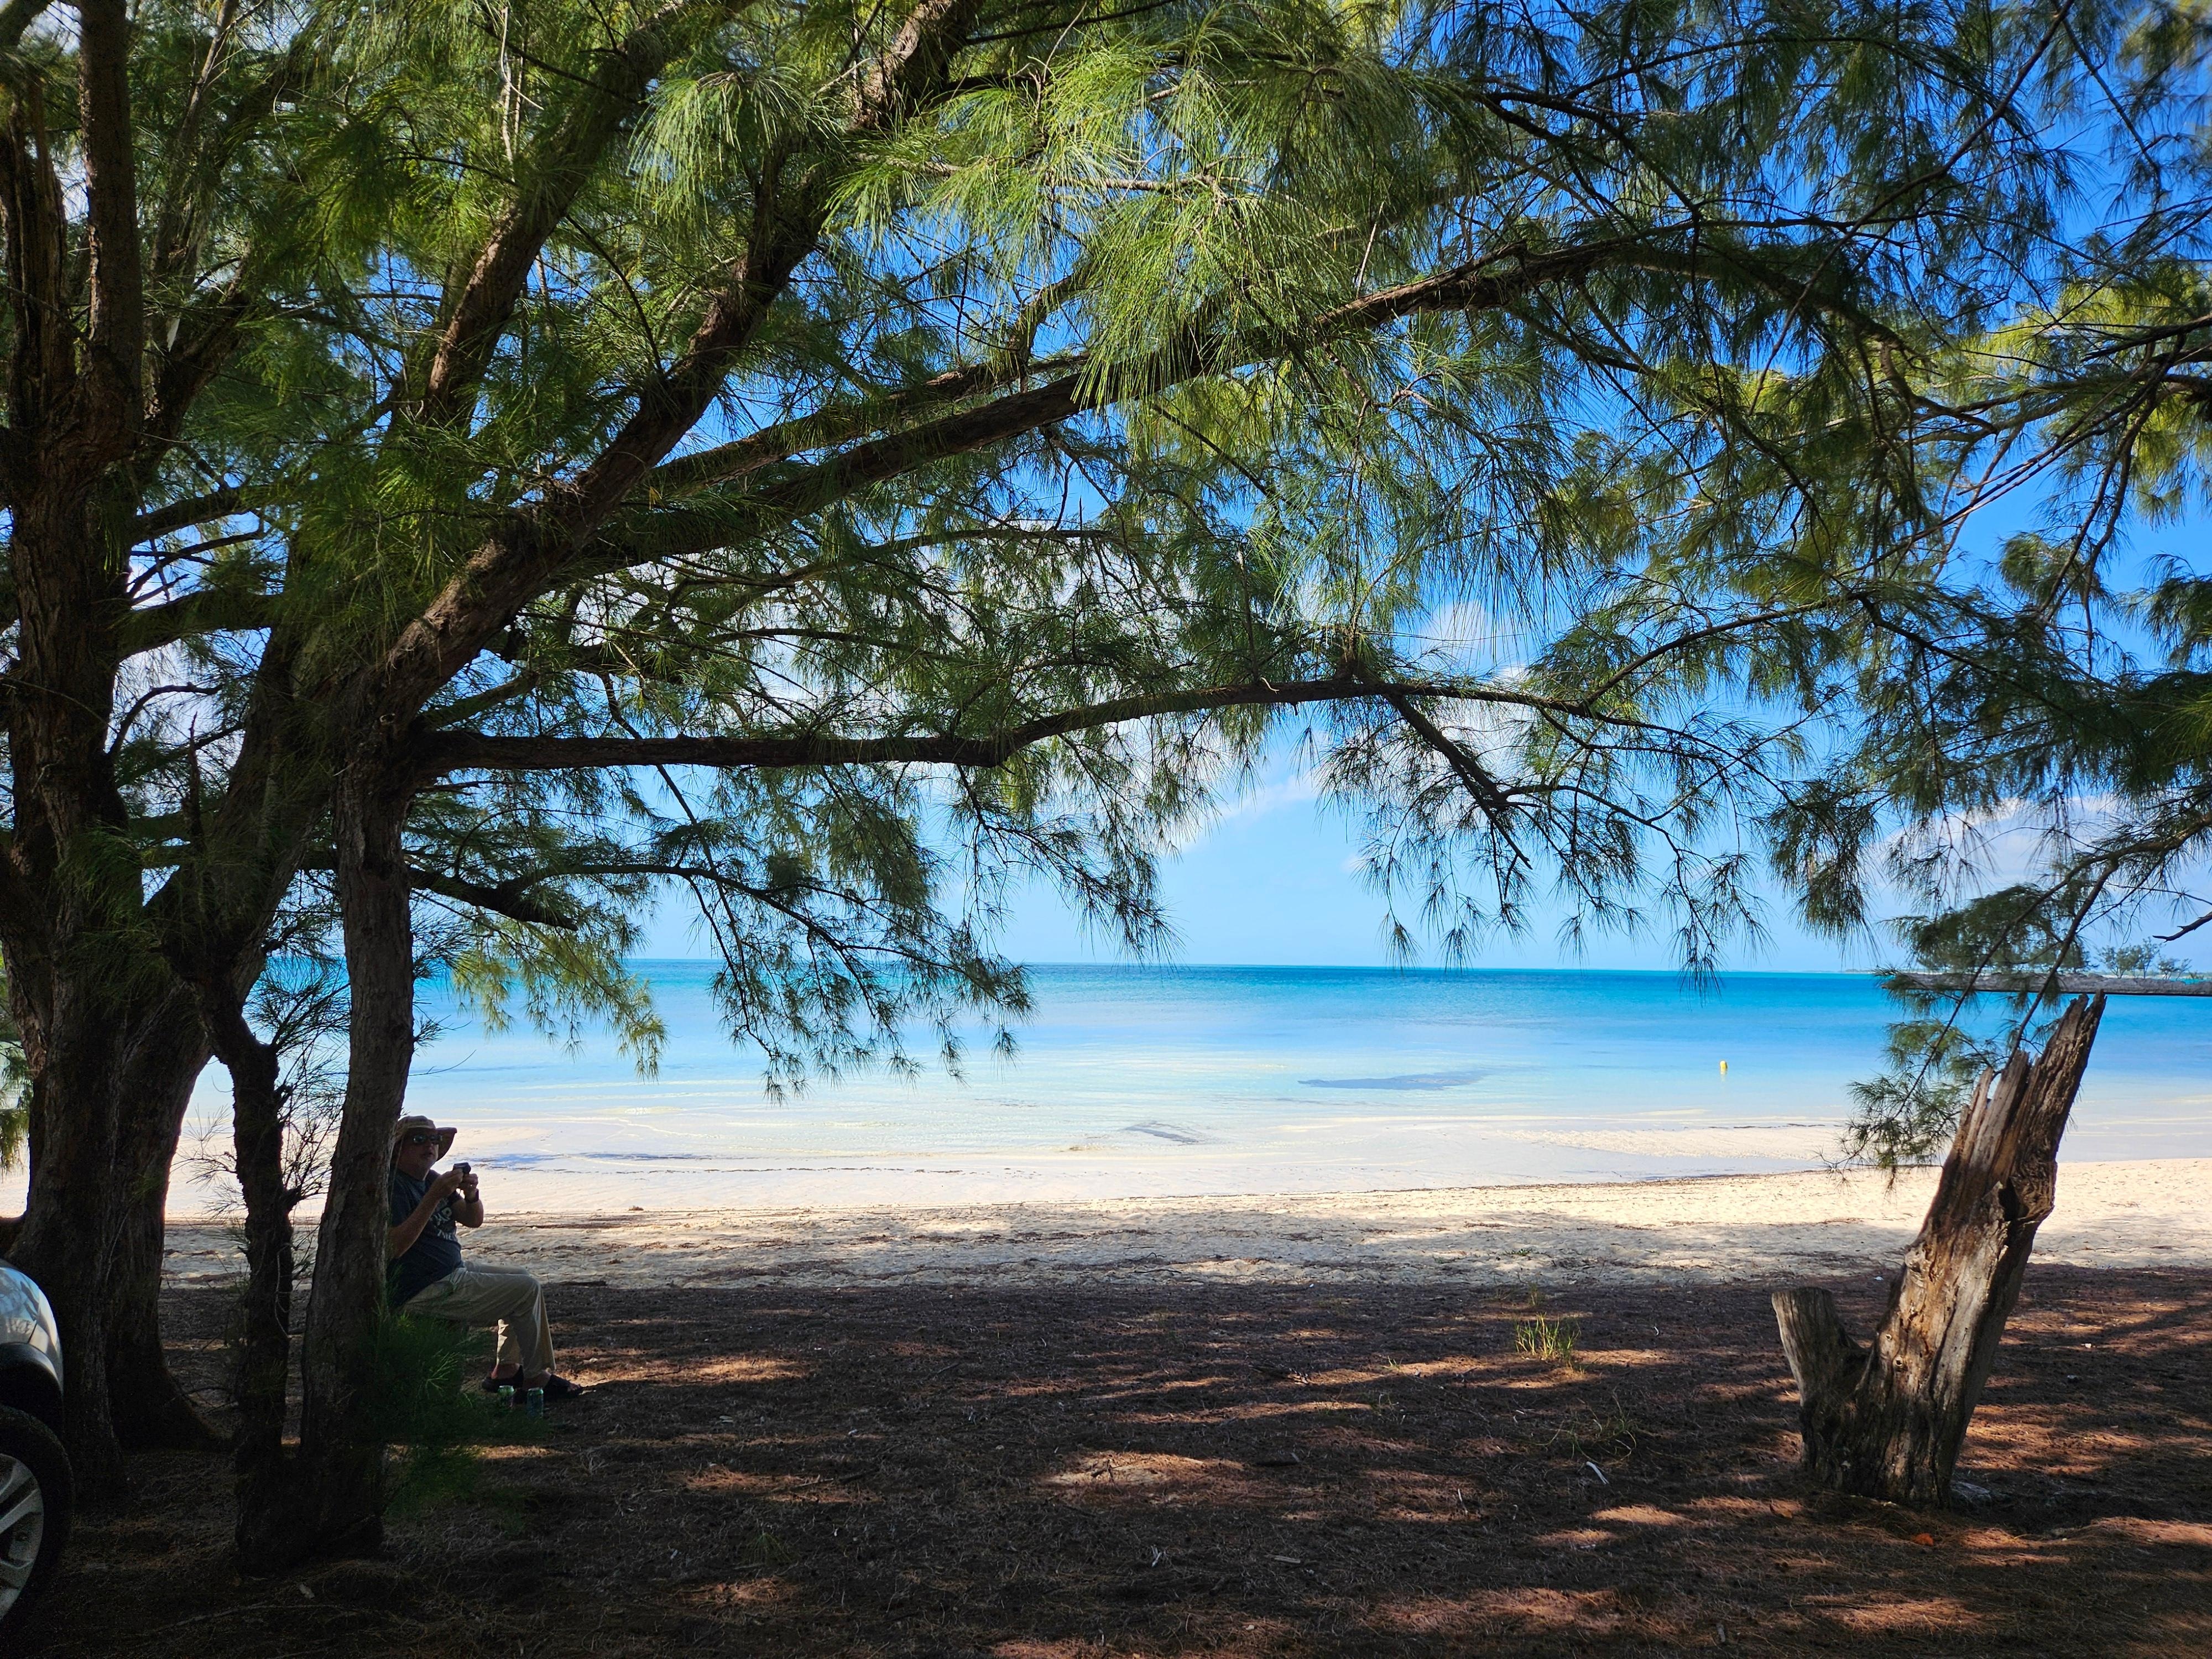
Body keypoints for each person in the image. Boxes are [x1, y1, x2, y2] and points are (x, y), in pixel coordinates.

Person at [388, 1114, 585, 1402]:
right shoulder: (396, 1186)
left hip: (453, 1272)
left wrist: (471, 1195)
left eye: (434, 1140)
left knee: (522, 1277)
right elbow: (396, 1247)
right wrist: (433, 1197)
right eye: (418, 1140)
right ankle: (536, 1378)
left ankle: (505, 1369)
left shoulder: (431, 1179)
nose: (429, 1146)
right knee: (526, 1291)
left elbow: (473, 1220)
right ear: (398, 1148)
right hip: (426, 1286)